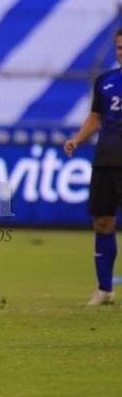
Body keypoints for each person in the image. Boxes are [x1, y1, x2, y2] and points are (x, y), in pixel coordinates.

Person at [64, 27, 122, 305]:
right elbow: (96, 118)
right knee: (102, 221)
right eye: (119, 47)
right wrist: (76, 139)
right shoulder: (106, 81)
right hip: (107, 159)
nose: (121, 52)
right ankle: (105, 290)